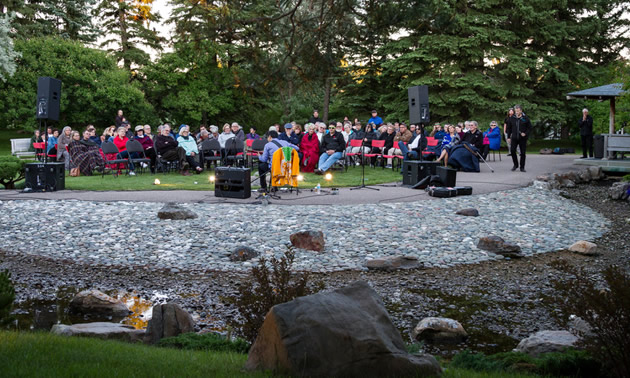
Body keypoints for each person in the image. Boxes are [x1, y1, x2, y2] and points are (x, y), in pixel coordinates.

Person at [506, 104, 532, 172]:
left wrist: (525, 133)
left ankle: (522, 167)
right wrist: (508, 137)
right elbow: (509, 128)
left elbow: (529, 128)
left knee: (522, 153)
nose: (516, 112)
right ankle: (515, 164)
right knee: (512, 151)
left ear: (521, 110)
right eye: (516, 111)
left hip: (522, 138)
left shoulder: (525, 118)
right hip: (514, 137)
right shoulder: (512, 118)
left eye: (518, 111)